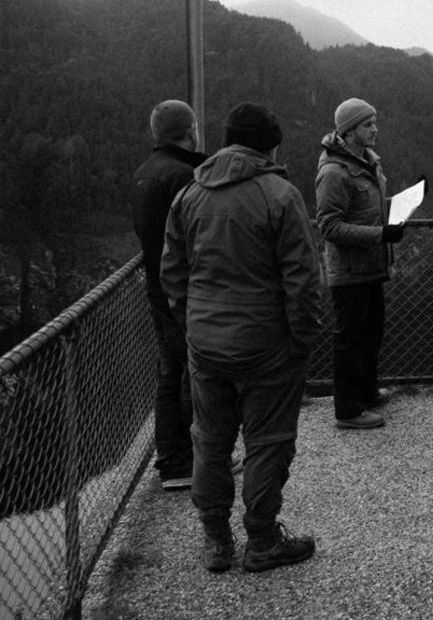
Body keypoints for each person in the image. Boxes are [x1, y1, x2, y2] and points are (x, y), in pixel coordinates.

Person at [161, 101, 325, 572]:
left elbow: (173, 272)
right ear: (271, 144)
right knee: (268, 440)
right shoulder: (280, 194)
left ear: (227, 140)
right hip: (267, 346)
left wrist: (193, 323)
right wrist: (303, 337)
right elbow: (302, 279)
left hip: (206, 345)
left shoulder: (190, 194)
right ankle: (262, 540)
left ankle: (216, 540)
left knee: (210, 440)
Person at [316, 98, 404, 430]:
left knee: (371, 333)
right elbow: (329, 226)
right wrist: (380, 233)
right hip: (350, 272)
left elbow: (367, 206)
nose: (375, 129)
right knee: (350, 340)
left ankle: (366, 392)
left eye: (375, 122)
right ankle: (348, 410)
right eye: (368, 124)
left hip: (370, 266)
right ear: (350, 131)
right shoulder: (334, 172)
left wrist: (395, 210)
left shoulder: (367, 162)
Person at [131, 100, 206, 491]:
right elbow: (194, 236)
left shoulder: (145, 173)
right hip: (184, 290)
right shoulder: (183, 175)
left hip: (157, 286)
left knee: (169, 371)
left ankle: (172, 459)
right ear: (190, 128)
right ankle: (186, 460)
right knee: (192, 372)